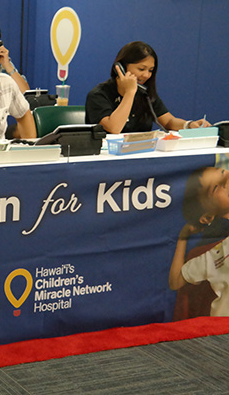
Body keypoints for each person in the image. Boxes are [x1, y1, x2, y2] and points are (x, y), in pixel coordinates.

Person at [85, 41, 211, 134]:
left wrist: (189, 125)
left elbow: (168, 122)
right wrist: (130, 92)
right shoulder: (98, 95)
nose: (146, 75)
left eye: (150, 70)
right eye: (141, 69)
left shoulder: (145, 94)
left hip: (141, 153)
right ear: (122, 67)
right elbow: (114, 128)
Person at [169, 166, 229, 316]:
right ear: (208, 216)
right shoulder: (214, 252)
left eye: (223, 173)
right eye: (216, 188)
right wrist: (183, 237)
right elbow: (176, 282)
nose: (227, 181)